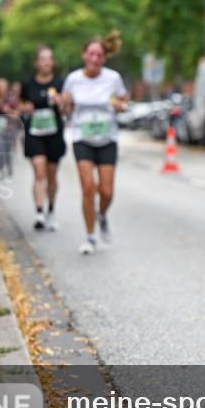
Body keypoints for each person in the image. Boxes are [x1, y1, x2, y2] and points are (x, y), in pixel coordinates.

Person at [61, 31, 128, 255]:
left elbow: (124, 101)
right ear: (84, 55)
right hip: (82, 138)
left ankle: (102, 214)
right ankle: (90, 236)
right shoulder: (73, 79)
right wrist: (63, 103)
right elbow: (65, 108)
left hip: (108, 139)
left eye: (99, 55)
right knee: (88, 187)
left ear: (104, 58)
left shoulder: (113, 78)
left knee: (106, 191)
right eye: (91, 54)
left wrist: (120, 105)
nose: (95, 58)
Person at [19, 47, 67, 231]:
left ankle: (51, 210)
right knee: (39, 172)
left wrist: (60, 102)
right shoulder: (28, 84)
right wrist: (25, 107)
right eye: (42, 59)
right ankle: (39, 212)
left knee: (51, 174)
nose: (46, 62)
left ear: (53, 62)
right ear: (36, 63)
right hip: (34, 133)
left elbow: (66, 109)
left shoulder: (60, 83)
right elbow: (20, 105)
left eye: (49, 59)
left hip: (54, 133)